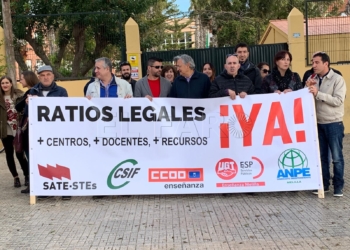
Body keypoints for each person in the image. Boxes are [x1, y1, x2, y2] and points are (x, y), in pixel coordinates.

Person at [28, 65, 71, 200]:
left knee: (61, 159)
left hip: (57, 132)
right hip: (39, 133)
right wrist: (28, 104)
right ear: (39, 77)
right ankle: (45, 188)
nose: (45, 77)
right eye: (42, 75)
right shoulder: (32, 91)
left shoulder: (61, 91)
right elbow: (25, 112)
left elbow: (65, 111)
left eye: (48, 74)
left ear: (53, 76)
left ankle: (65, 189)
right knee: (43, 160)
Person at [307, 52, 346, 197]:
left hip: (333, 123)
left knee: (336, 157)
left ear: (326, 64)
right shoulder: (313, 79)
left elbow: (338, 100)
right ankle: (324, 185)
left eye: (317, 62)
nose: (314, 65)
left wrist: (318, 94)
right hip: (318, 123)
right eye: (312, 62)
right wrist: (307, 91)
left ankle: (338, 186)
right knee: (321, 156)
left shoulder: (338, 79)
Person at [0, 76, 29, 189]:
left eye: (7, 82)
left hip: (18, 127)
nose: (5, 85)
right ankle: (15, 177)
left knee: (19, 153)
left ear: (11, 84)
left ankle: (27, 175)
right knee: (9, 153)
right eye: (3, 83)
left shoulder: (20, 95)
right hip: (5, 127)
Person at [15, 71, 39, 194]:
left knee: (30, 156)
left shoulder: (32, 92)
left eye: (22, 78)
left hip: (29, 129)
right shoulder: (30, 92)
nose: (20, 81)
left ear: (28, 79)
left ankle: (33, 184)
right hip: (28, 127)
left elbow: (17, 107)